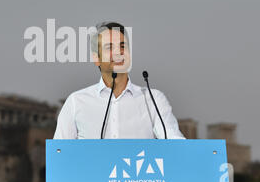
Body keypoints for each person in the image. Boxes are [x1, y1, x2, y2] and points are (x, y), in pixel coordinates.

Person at [53, 22, 185, 139]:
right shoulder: (76, 102)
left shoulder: (153, 99)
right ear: (96, 58)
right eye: (109, 47)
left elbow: (174, 144)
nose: (118, 52)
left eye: (123, 46)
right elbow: (60, 155)